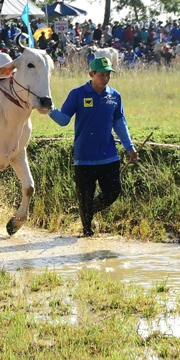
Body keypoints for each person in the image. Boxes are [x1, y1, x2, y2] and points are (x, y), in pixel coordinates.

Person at [47, 56, 139, 237]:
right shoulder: (77, 94)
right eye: (101, 75)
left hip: (109, 156)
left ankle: (89, 211)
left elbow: (119, 123)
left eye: (108, 75)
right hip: (84, 158)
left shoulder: (114, 96)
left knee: (113, 191)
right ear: (91, 74)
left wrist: (130, 147)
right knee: (85, 198)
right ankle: (86, 232)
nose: (105, 78)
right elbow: (64, 120)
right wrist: (50, 109)